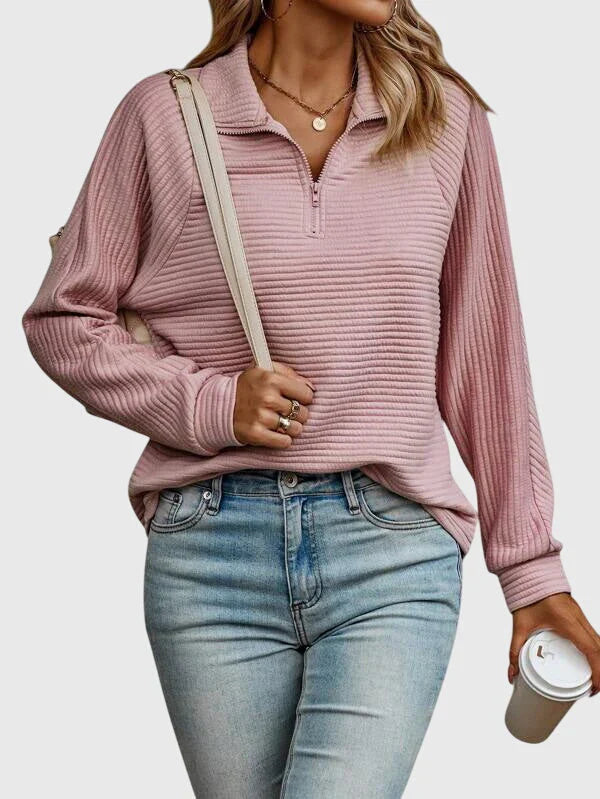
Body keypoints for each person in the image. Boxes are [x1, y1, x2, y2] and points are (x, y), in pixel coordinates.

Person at [21, 1, 599, 796]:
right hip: (210, 555)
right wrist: (211, 403)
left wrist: (532, 572)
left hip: (392, 549)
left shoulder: (442, 119)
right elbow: (64, 318)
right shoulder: (165, 116)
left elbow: (487, 358)